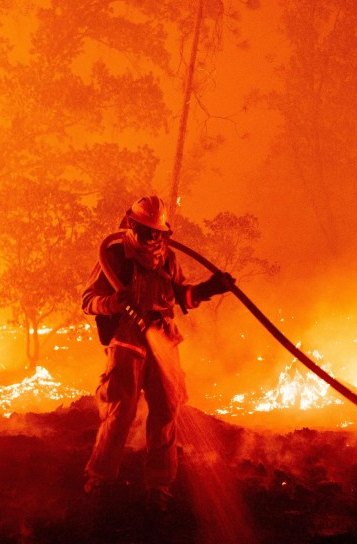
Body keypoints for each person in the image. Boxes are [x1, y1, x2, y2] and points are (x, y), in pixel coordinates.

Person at [82, 195, 232, 516]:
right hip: (128, 340)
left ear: (164, 234)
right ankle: (100, 481)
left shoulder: (168, 260)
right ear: (132, 226)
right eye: (147, 232)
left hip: (163, 339)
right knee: (121, 412)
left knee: (166, 412)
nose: (152, 239)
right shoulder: (115, 255)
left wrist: (209, 288)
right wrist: (111, 303)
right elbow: (88, 300)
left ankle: (159, 486)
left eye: (157, 233)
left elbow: (183, 297)